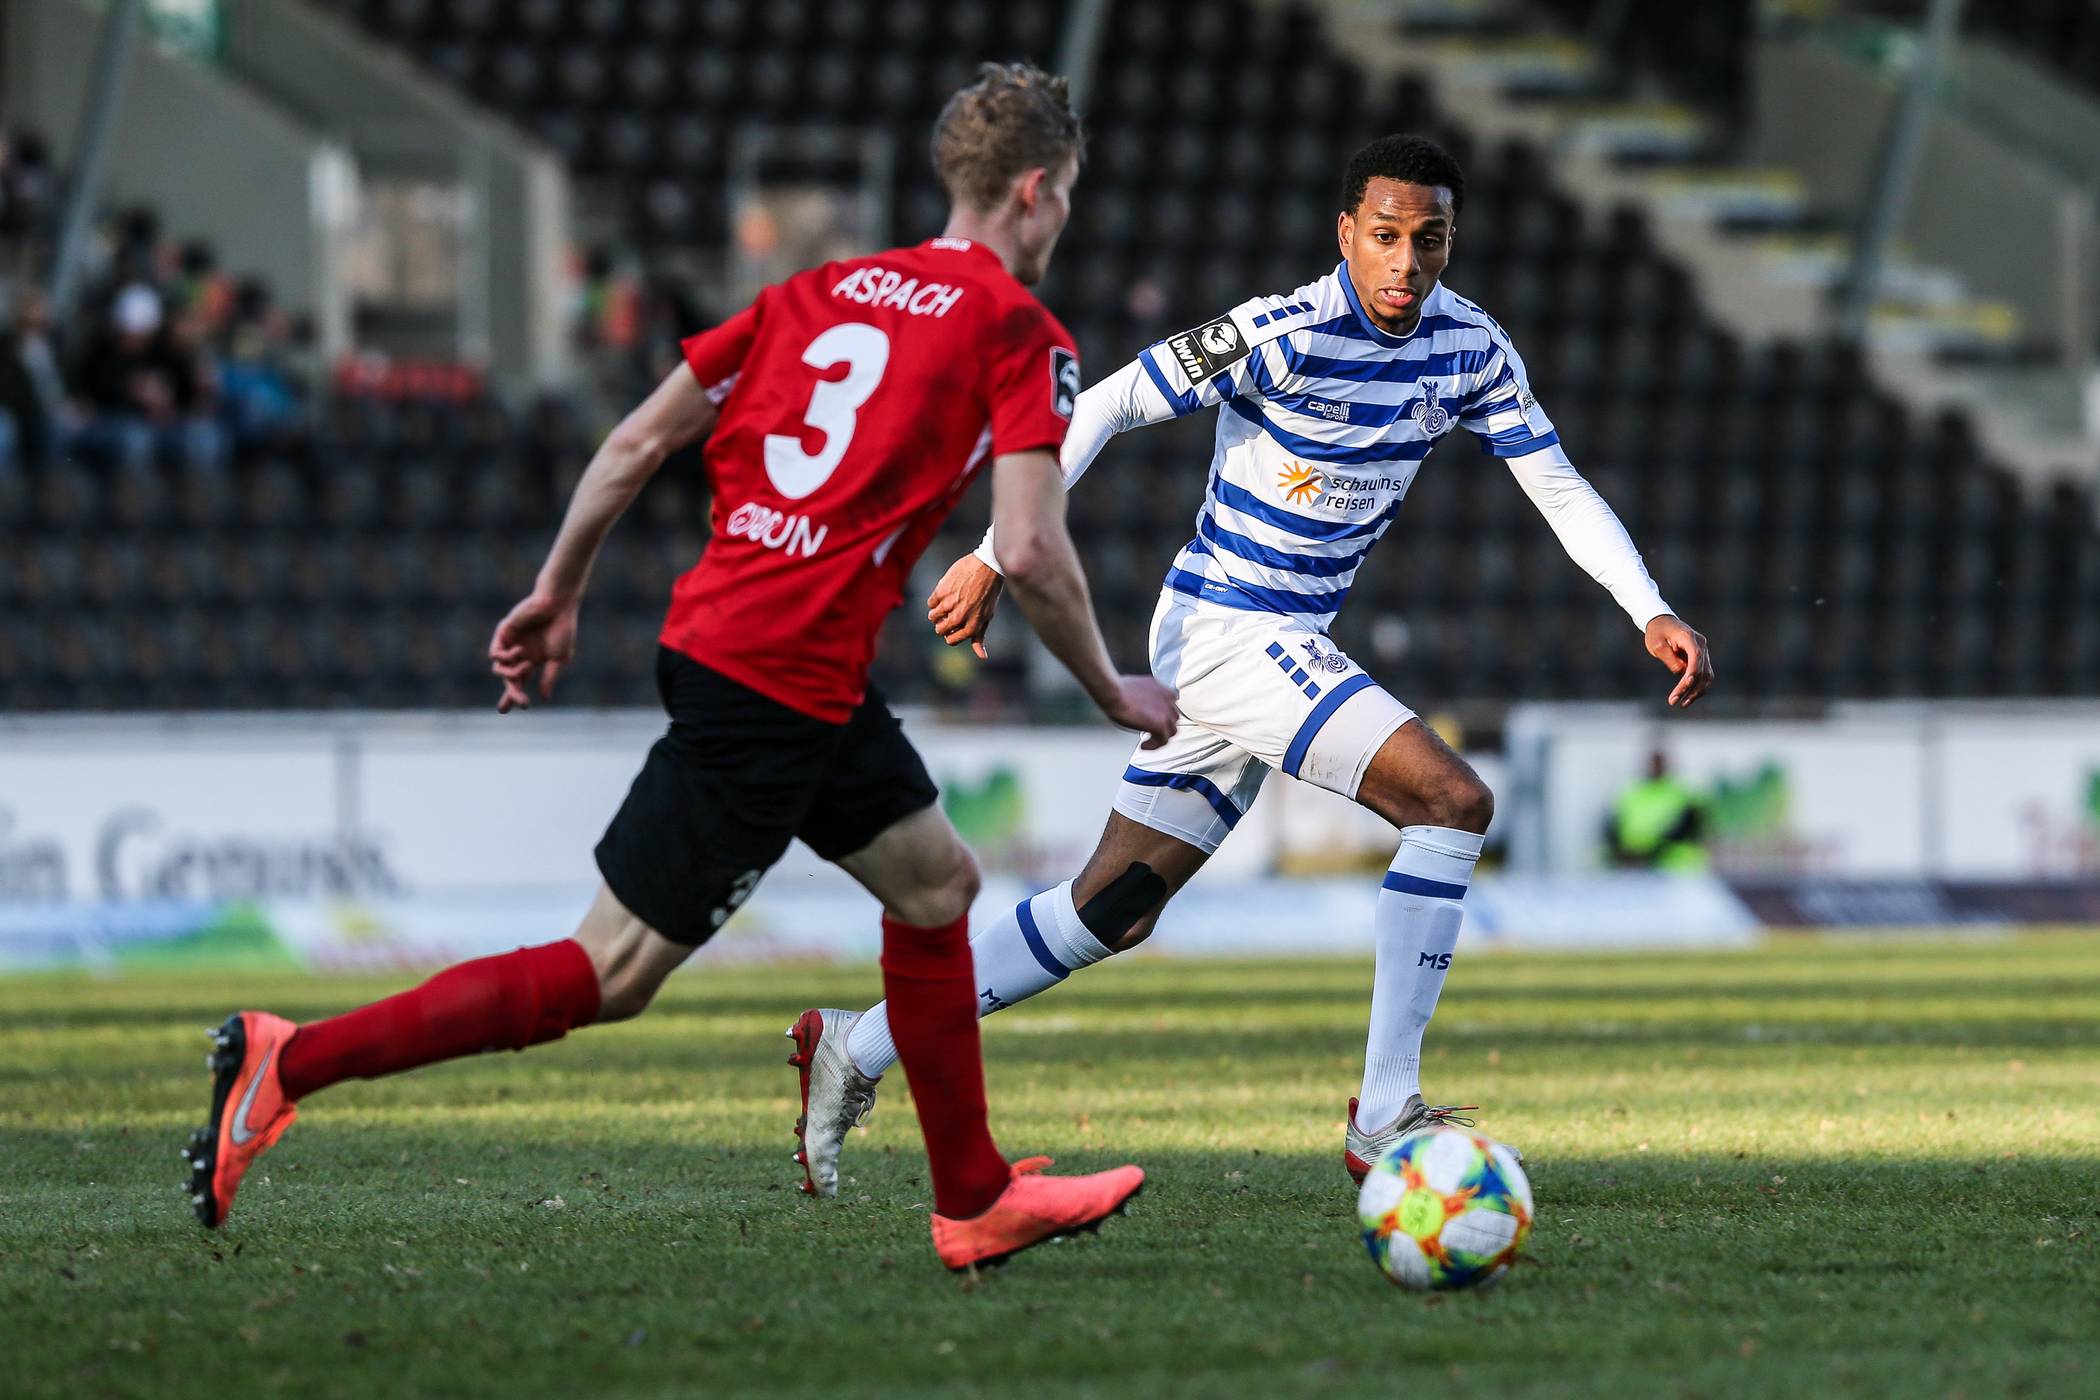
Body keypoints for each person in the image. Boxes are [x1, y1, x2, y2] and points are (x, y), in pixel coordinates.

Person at [183, 63, 1177, 1274]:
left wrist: (558, 589)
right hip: (778, 678)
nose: (1063, 218)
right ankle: (289, 1059)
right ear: (1034, 191)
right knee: (607, 973)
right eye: (1065, 197)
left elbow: (636, 439)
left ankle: (971, 1193)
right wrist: (1109, 688)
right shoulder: (1020, 331)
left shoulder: (807, 293)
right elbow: (1028, 546)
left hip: (749, 644)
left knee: (934, 884)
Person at [791, 134, 1716, 1195]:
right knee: (1452, 799)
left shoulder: (1471, 349)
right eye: (1385, 237)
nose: (1407, 263)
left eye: (1430, 240)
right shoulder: (1280, 332)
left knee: (1113, 908)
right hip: (1227, 629)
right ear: (1345, 235)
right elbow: (1103, 405)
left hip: (1276, 644)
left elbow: (1554, 481)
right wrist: (999, 551)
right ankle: (1384, 1112)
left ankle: (851, 1048)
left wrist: (1646, 604)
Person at [1606, 748, 1710, 870]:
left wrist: (1648, 854)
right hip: (1635, 868)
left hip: (1676, 869)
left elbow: (1686, 830)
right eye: (1653, 763)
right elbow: (1612, 828)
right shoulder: (1631, 795)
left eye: (1659, 763)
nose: (1655, 767)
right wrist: (1621, 853)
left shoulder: (1684, 795)